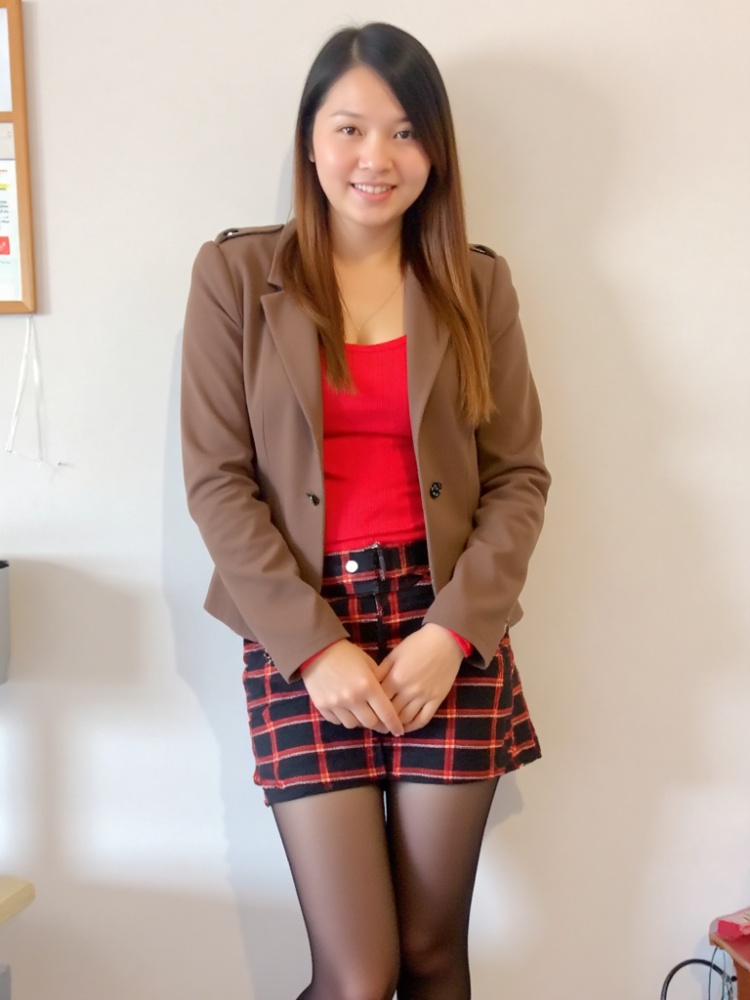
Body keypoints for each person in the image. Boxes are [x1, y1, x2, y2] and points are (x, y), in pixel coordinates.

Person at [181, 21, 550, 1000]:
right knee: (357, 975)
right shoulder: (235, 277)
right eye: (349, 128)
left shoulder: (476, 284)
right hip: (301, 625)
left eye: (405, 132)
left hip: (445, 626)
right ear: (310, 140)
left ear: (435, 151)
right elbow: (216, 479)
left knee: (431, 957)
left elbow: (519, 477)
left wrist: (453, 633)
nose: (376, 158)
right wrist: (314, 647)